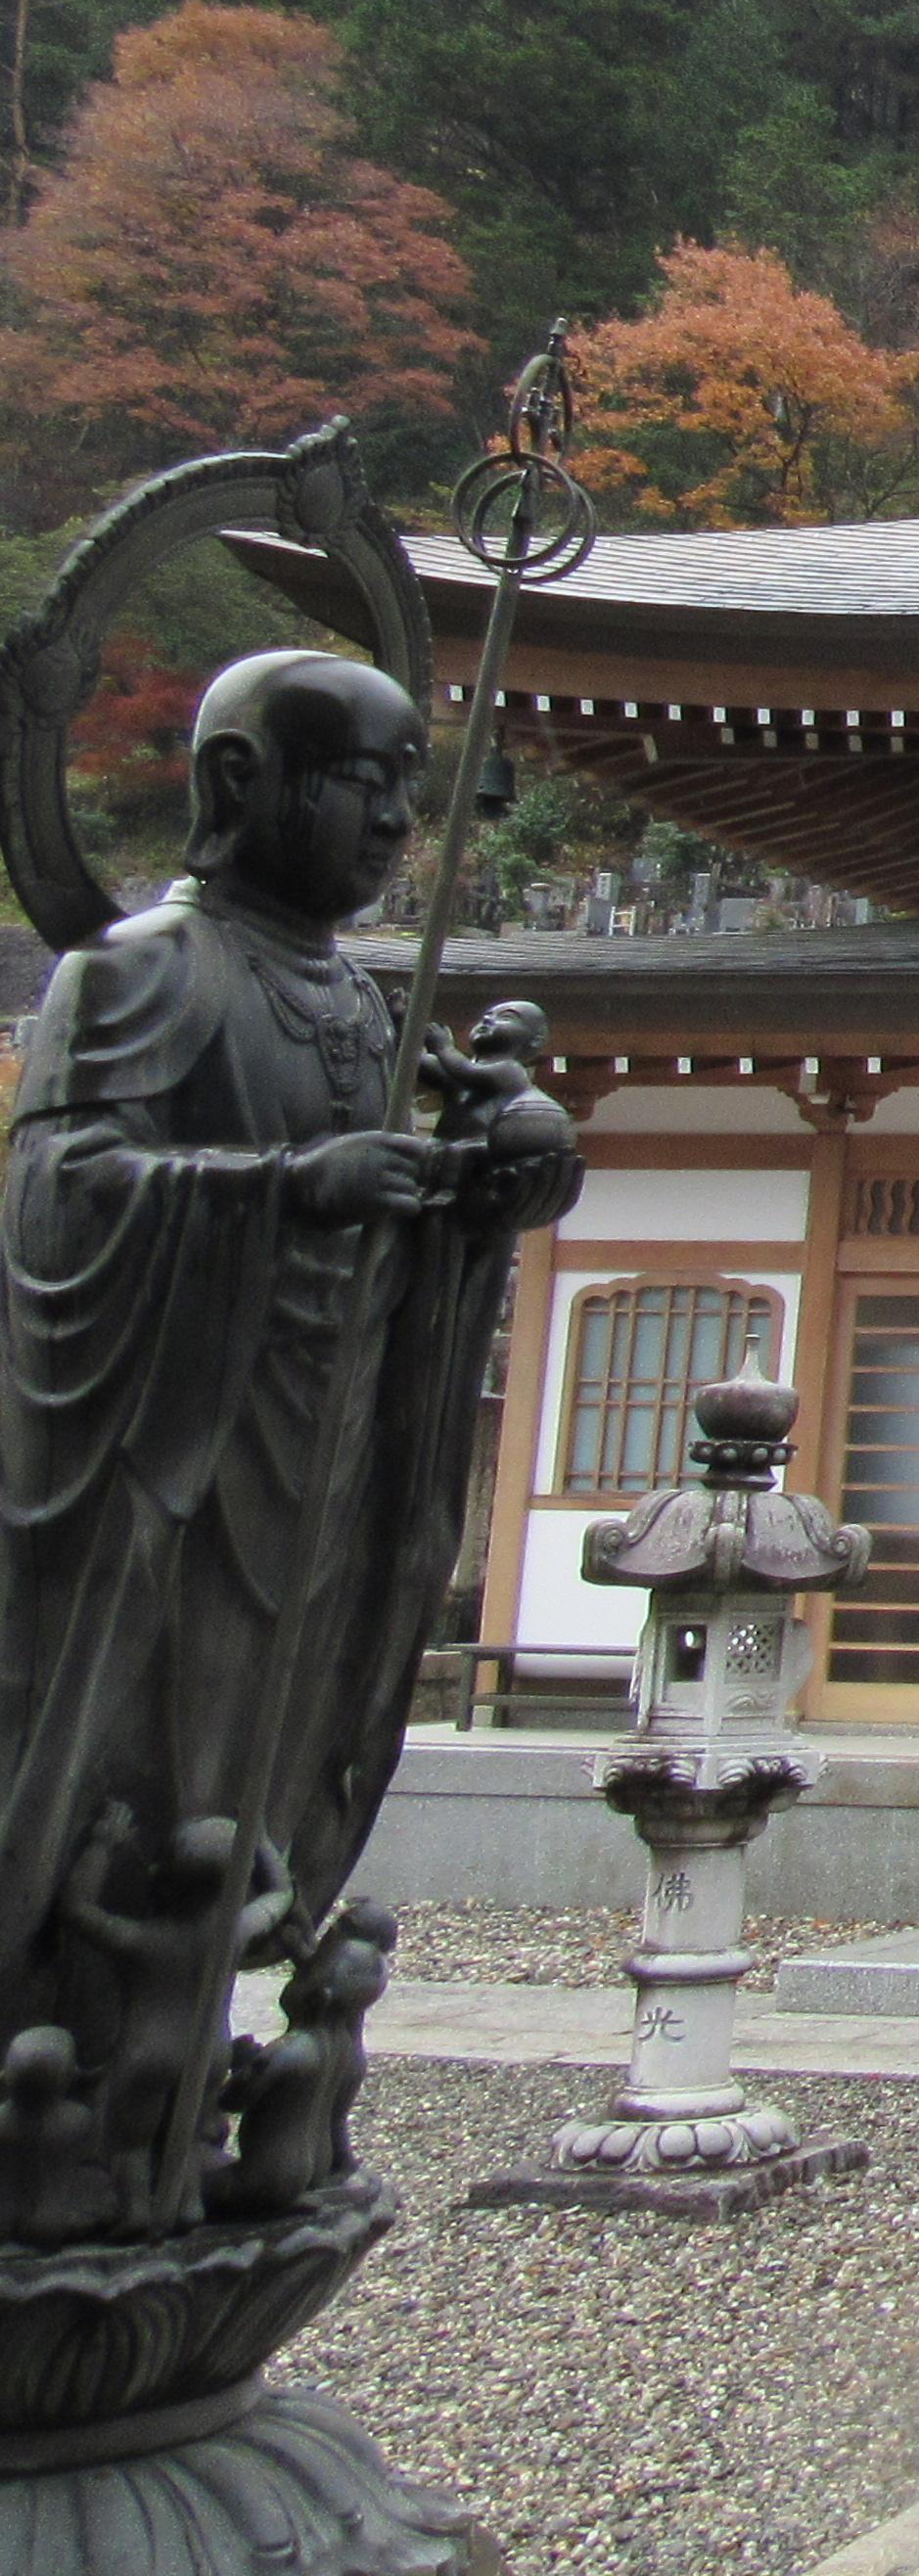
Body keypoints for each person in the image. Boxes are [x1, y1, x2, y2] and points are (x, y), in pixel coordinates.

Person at [0, 650, 580, 2237]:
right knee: (139, 1771)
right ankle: (80, 2091)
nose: (393, 820)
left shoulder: (364, 1002)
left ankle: (185, 2092)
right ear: (238, 783)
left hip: (322, 1448)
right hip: (166, 1463)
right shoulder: (133, 976)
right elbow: (58, 1208)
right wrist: (285, 1189)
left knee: (272, 1747)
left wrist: (500, 1175)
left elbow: (430, 1194)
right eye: (356, 783)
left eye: (408, 790)